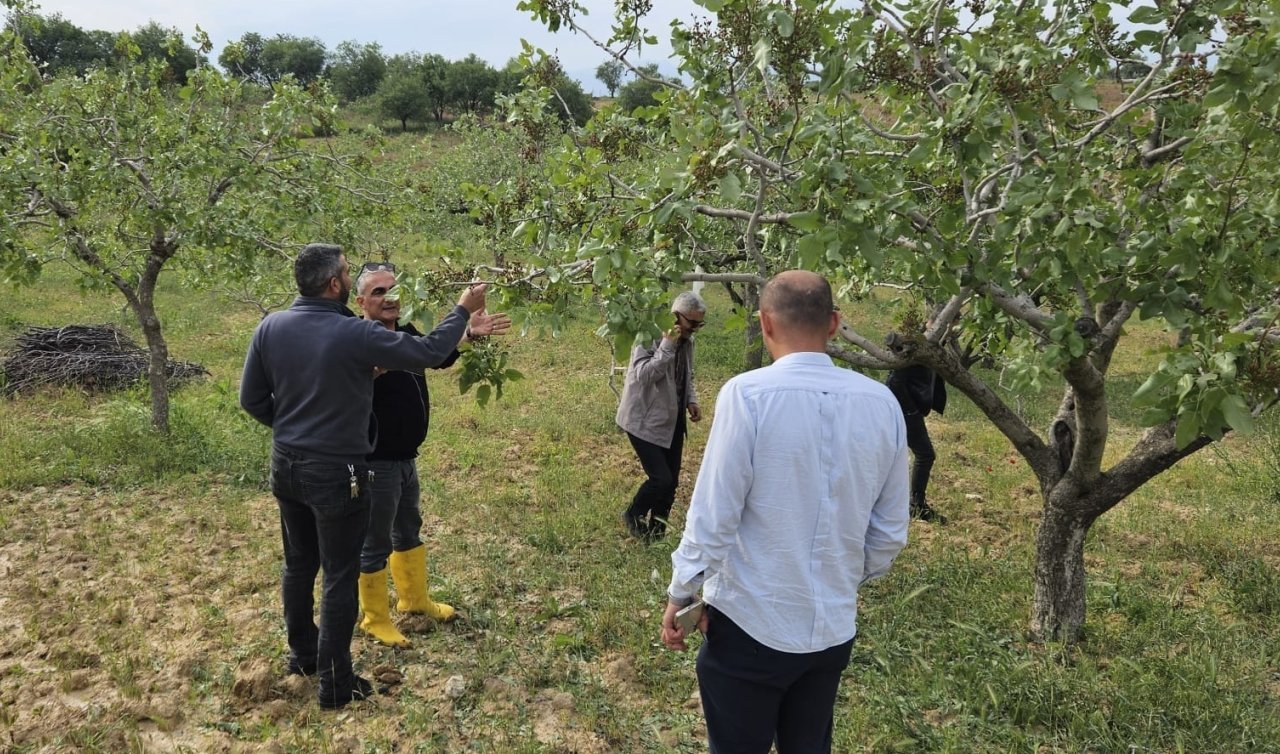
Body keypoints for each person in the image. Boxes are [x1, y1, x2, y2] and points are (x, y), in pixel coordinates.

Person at [661, 270, 910, 754]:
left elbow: (714, 515)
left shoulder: (747, 395)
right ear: (834, 323)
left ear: (765, 324)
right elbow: (889, 533)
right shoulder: (883, 403)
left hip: (751, 623)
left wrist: (682, 590)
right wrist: (838, 579)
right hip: (832, 631)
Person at [239, 243, 487, 709]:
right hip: (336, 471)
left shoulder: (271, 325)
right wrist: (463, 309)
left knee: (298, 565)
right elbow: (432, 351)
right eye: (349, 274)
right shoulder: (353, 333)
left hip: (287, 466)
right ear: (336, 285)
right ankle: (336, 684)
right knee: (338, 574)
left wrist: (296, 430)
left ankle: (304, 656)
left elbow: (252, 399)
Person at [353, 262, 511, 647]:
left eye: (393, 289)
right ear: (360, 301)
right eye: (378, 292)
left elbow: (433, 355)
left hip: (405, 457)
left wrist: (469, 335)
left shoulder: (403, 331)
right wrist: (460, 313)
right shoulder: (360, 339)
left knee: (408, 527)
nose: (389, 298)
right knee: (375, 540)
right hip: (376, 460)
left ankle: (414, 600)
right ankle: (374, 617)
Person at [615, 291, 704, 540]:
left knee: (671, 483)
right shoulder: (649, 336)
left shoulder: (689, 342)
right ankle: (633, 514)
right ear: (675, 317)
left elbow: (686, 374)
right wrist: (667, 346)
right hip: (642, 419)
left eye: (700, 324)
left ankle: (655, 536)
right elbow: (643, 376)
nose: (695, 329)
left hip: (672, 419)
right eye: (692, 323)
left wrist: (691, 399)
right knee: (661, 479)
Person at [886, 362, 948, 523]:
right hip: (906, 409)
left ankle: (911, 503)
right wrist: (910, 410)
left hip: (908, 407)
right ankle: (917, 504)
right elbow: (895, 380)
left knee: (892, 453)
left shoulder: (925, 343)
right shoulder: (912, 345)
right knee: (925, 454)